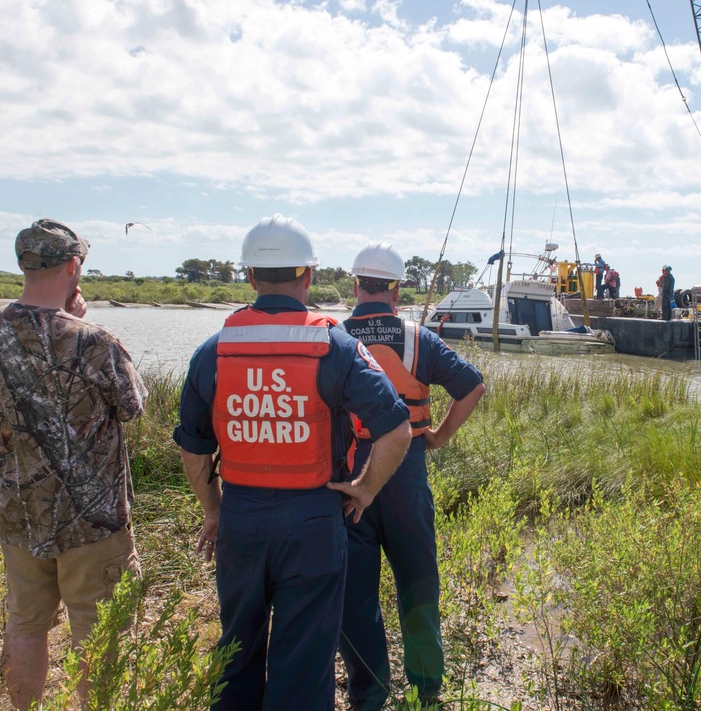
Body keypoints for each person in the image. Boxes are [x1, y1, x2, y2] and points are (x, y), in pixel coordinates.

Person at [173, 215, 411, 710]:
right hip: (314, 521)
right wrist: (365, 489)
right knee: (302, 660)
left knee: (236, 649)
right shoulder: (337, 348)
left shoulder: (212, 352)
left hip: (239, 518)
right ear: (307, 276)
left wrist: (213, 511)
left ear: (250, 278)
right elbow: (397, 428)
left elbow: (194, 446)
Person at [0, 219, 147, 711]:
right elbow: (135, 407)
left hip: (20, 511)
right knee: (100, 634)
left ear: (24, 264)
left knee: (25, 625)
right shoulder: (95, 341)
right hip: (92, 522)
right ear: (74, 266)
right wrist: (78, 322)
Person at [338, 243, 486, 710]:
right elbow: (472, 385)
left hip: (350, 475)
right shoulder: (420, 339)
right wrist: (438, 436)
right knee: (418, 580)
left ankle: (369, 692)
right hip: (406, 469)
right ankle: (426, 686)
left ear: (355, 286)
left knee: (356, 594)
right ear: (397, 290)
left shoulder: (333, 337)